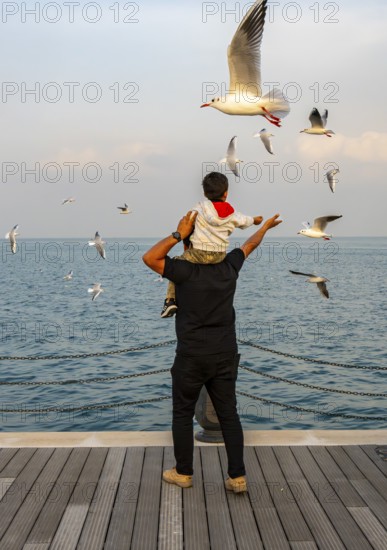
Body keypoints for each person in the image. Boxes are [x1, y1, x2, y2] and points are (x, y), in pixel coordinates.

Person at [143, 210, 282, 492]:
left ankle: (184, 473)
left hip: (191, 356)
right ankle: (237, 477)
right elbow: (249, 245)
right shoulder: (229, 267)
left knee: (182, 414)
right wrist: (264, 227)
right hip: (224, 354)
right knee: (229, 414)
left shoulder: (182, 271)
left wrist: (178, 232)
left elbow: (150, 258)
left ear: (188, 246)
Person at [161, 171, 263, 318]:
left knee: (176, 262)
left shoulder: (200, 208)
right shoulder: (231, 213)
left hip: (198, 254)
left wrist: (181, 233)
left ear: (204, 192)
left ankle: (170, 301)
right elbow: (243, 220)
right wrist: (255, 220)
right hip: (219, 256)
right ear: (226, 193)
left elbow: (189, 220)